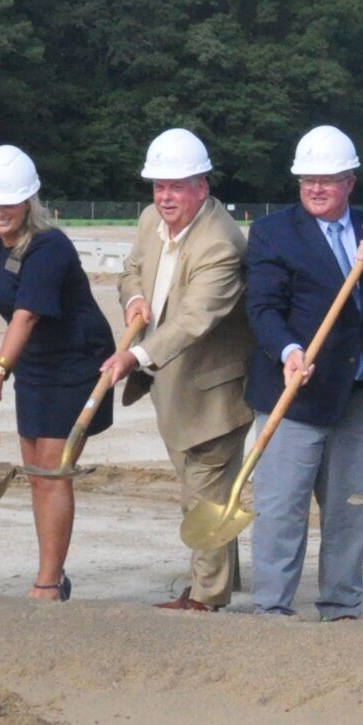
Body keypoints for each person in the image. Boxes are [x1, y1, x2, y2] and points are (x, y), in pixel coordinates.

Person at [242, 126, 363, 621]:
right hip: (294, 392)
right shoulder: (273, 232)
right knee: (280, 510)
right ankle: (271, 608)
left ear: (350, 181)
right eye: (308, 179)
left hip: (357, 396)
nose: (315, 188)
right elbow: (263, 306)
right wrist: (288, 349)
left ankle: (341, 606)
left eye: (327, 180)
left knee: (349, 511)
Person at [106, 127, 256, 612]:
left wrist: (135, 355)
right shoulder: (151, 220)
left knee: (203, 495)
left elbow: (193, 320)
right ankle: (223, 580)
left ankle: (206, 597)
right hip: (173, 390)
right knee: (205, 488)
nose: (165, 197)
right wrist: (133, 297)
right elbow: (131, 268)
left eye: (176, 186)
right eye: (158, 186)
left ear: (202, 187)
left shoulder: (221, 245)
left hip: (214, 393)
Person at [0, 145, 117, 602]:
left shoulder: (49, 246)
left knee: (53, 472)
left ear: (29, 201)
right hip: (34, 361)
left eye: (9, 202)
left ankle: (48, 583)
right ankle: (51, 573)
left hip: (73, 362)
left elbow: (27, 315)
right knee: (36, 472)